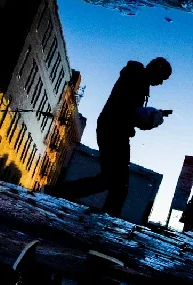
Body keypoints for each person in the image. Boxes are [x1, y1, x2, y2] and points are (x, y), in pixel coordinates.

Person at [49, 57, 172, 217]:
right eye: (162, 78)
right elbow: (129, 112)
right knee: (119, 184)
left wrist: (154, 114)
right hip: (114, 131)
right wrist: (153, 116)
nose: (161, 83)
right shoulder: (136, 80)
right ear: (156, 70)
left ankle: (58, 192)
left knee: (110, 180)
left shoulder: (136, 78)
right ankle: (106, 220)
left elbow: (130, 111)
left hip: (112, 129)